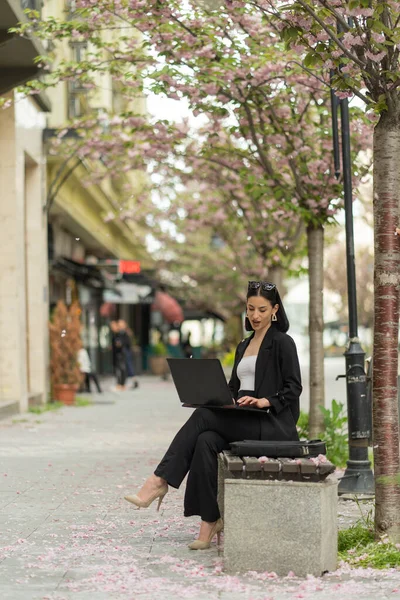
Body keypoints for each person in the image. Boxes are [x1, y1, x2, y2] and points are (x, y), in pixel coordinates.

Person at [124, 281, 302, 550]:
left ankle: (159, 480)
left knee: (204, 417)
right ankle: (209, 522)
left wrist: (265, 400)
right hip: (245, 419)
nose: (255, 315)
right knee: (205, 439)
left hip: (272, 423)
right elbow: (233, 388)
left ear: (275, 310)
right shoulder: (243, 345)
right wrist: (223, 399)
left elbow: (294, 387)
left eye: (262, 310)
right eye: (251, 308)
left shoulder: (282, 343)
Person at [118, 319, 139, 390]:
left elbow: (128, 343)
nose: (120, 326)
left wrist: (121, 344)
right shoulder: (121, 333)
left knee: (128, 367)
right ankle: (124, 383)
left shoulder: (126, 333)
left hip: (126, 352)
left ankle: (134, 381)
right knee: (126, 368)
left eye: (121, 325)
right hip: (125, 352)